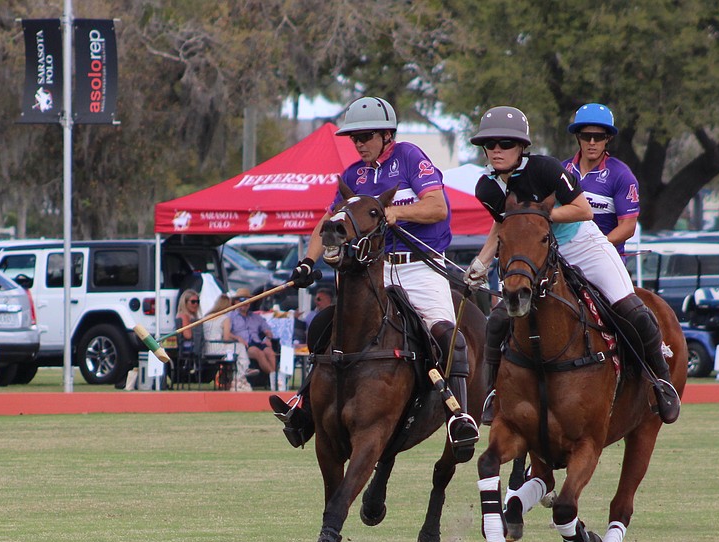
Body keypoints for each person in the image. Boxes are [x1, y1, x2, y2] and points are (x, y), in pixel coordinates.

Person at [270, 95, 479, 449]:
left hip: (420, 267)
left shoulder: (410, 157)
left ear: (386, 135)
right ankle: (304, 407)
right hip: (372, 273)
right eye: (354, 138)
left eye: (366, 136)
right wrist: (308, 261)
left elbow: (437, 206)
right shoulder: (353, 175)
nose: (359, 144)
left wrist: (395, 213)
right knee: (325, 325)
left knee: (447, 335)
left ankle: (458, 416)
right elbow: (329, 221)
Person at [463, 106, 680, 425]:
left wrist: (537, 216)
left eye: (505, 143)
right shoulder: (487, 187)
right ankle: (494, 391)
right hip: (533, 251)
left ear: (522, 146)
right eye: (490, 144)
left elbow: (583, 211)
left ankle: (662, 382)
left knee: (630, 308)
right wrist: (480, 262)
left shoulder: (547, 169)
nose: (497, 150)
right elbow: (502, 227)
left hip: (580, 243)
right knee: (498, 320)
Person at [562, 103, 639, 256]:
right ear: (578, 136)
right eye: (586, 136)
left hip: (605, 255)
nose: (592, 142)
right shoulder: (561, 170)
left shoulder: (621, 175)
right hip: (565, 256)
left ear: (607, 138)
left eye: (598, 137)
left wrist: (594, 248)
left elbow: (628, 226)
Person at [225, 287, 277, 383]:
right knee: (259, 353)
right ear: (236, 302)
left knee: (270, 352)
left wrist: (268, 338)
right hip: (244, 345)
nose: (245, 302)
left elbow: (267, 330)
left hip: (258, 342)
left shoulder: (256, 317)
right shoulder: (230, 316)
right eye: (241, 300)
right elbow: (227, 334)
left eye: (247, 300)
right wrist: (237, 338)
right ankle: (275, 379)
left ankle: (274, 378)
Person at [204, 294, 252, 392]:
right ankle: (241, 375)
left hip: (206, 348)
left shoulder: (206, 317)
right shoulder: (225, 318)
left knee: (236, 348)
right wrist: (237, 339)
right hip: (217, 348)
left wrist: (235, 337)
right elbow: (226, 338)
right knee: (240, 348)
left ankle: (239, 376)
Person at [175, 289, 203, 359]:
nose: (196, 304)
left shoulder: (189, 315)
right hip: (189, 348)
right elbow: (187, 335)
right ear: (185, 302)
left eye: (197, 302)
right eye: (193, 302)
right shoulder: (184, 316)